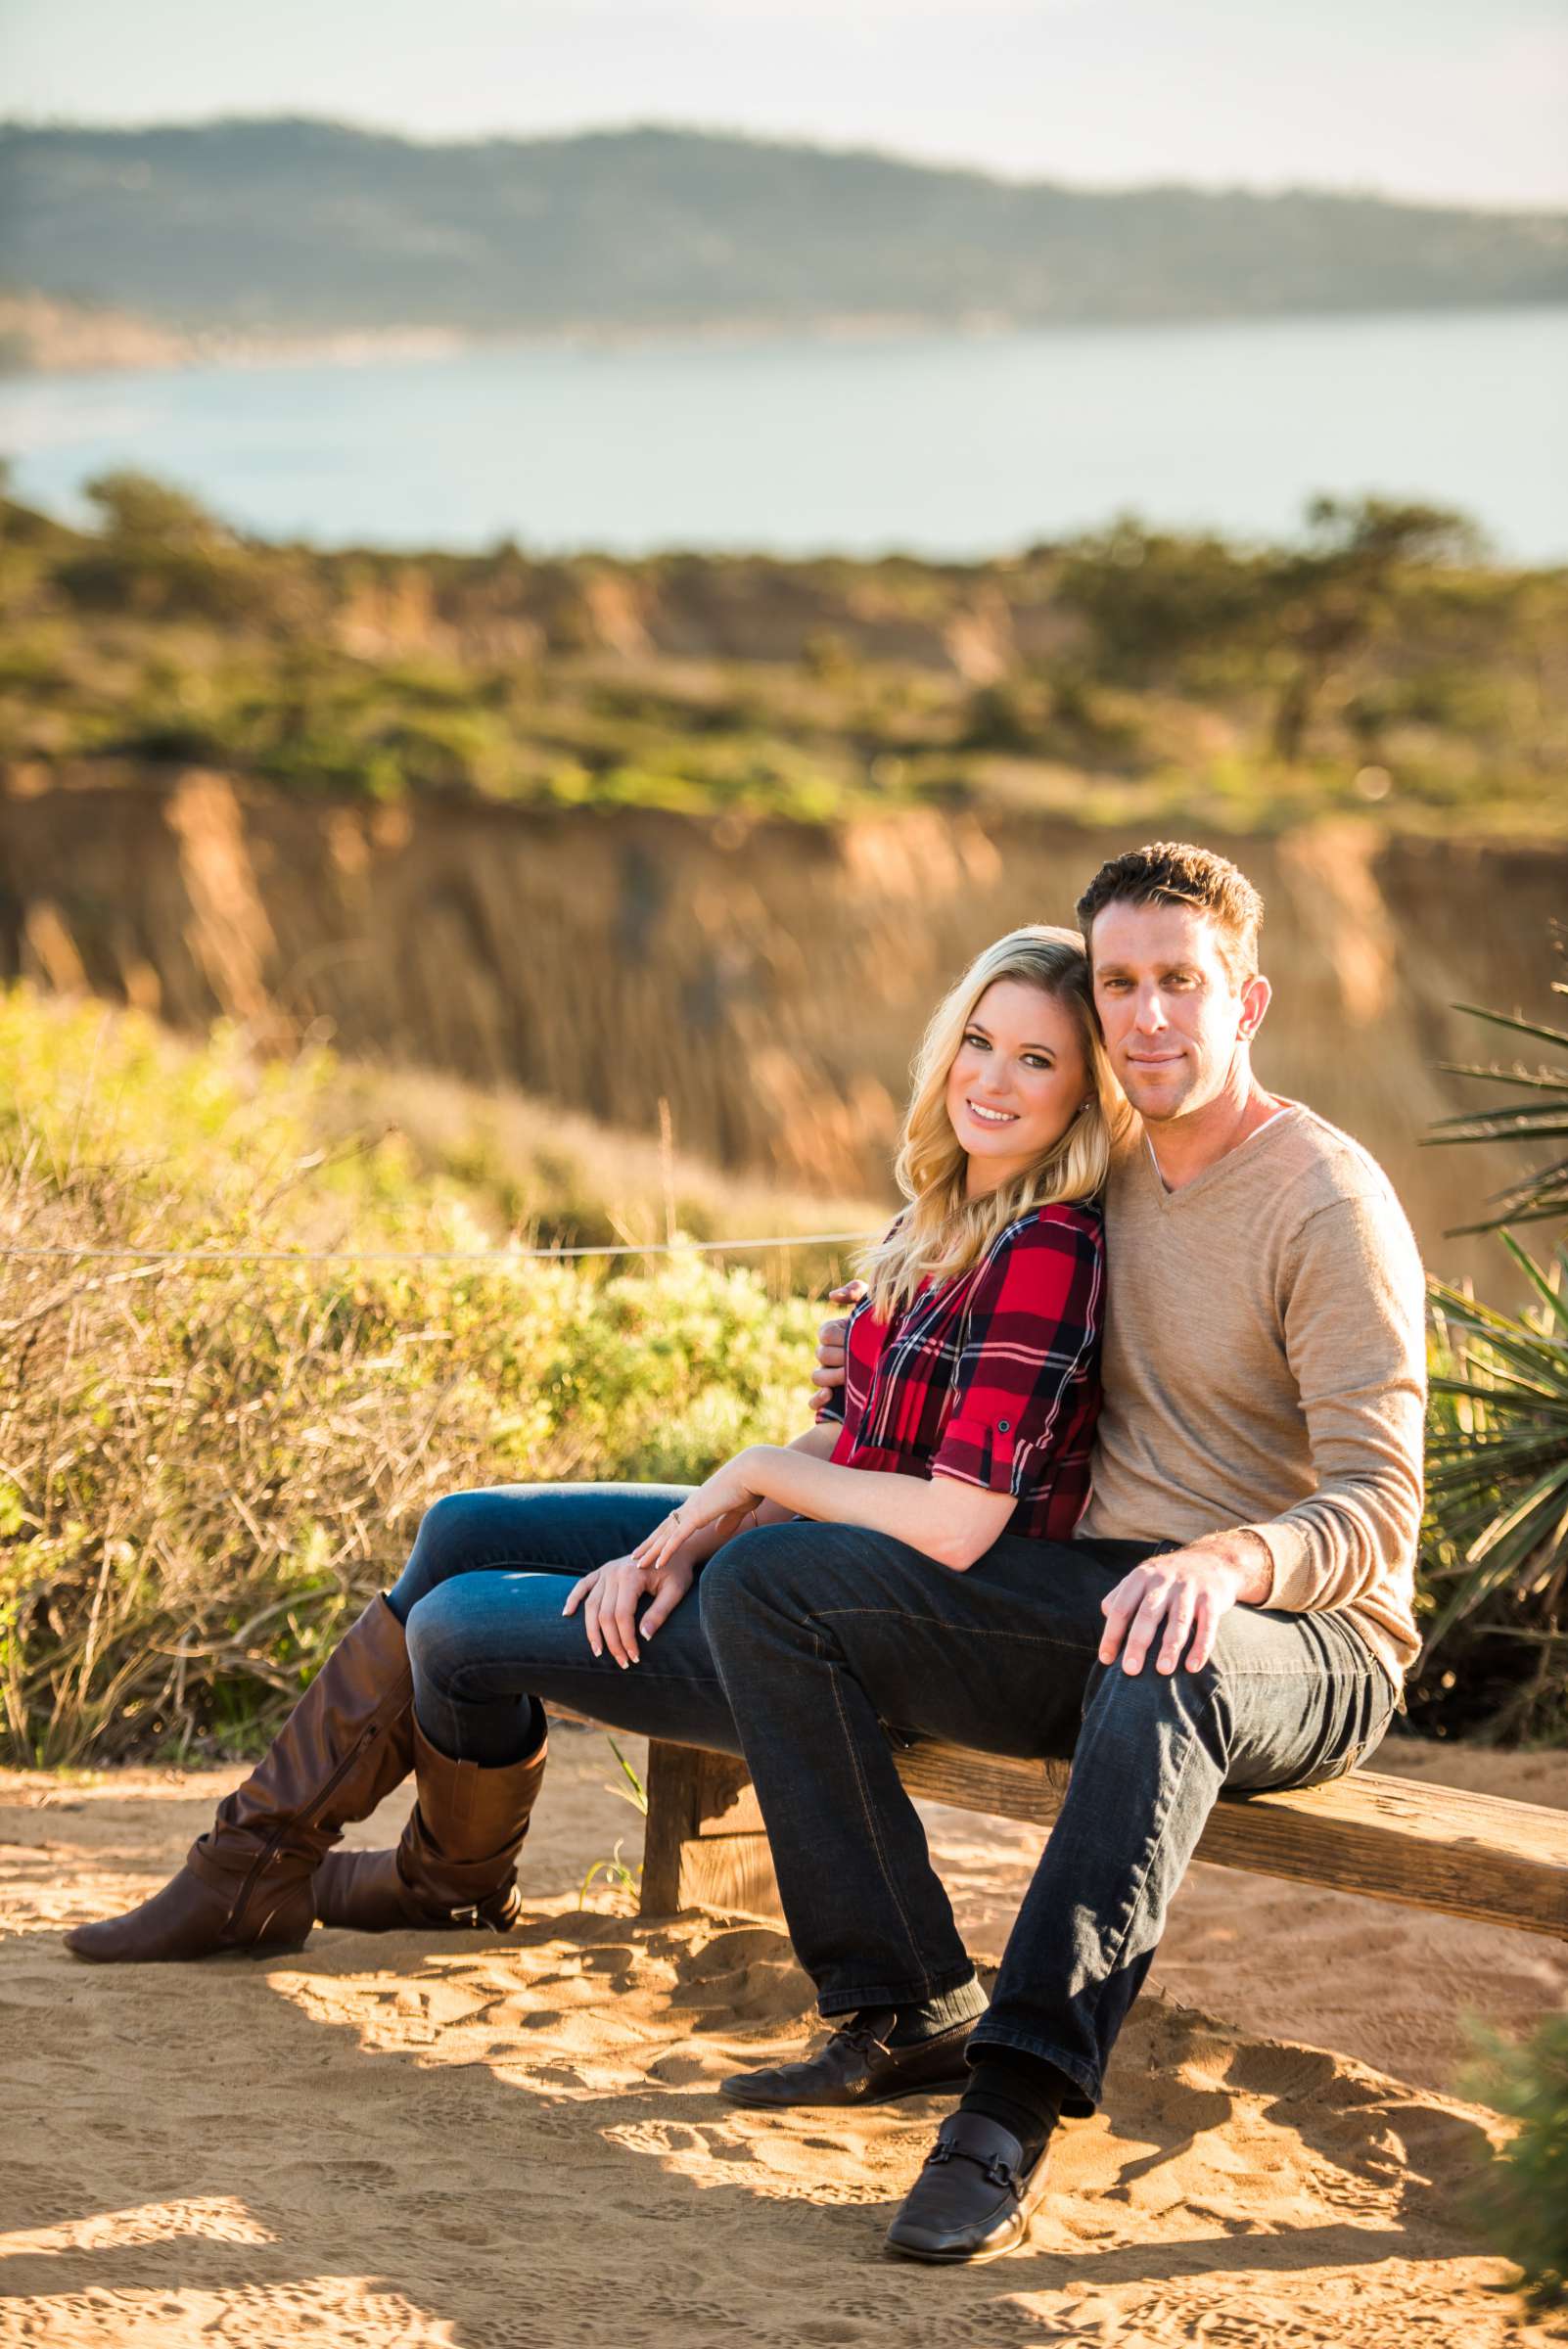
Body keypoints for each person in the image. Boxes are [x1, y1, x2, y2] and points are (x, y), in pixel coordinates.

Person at [65, 923, 1123, 1973]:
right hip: (804, 1556)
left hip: (878, 1628)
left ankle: (422, 1883)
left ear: (1082, 1093)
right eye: (980, 1041)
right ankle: (262, 1865)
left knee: (456, 1628)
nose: (992, 1077)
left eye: (1036, 1060)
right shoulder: (937, 1217)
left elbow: (953, 1518)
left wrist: (741, 1486)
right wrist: (693, 1534)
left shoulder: (1048, 1247)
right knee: (462, 1527)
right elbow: (850, 1439)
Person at [693, 840, 1424, 2267]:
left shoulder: (1324, 1202)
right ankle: (902, 1996)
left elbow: (1376, 1511)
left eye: (1180, 985)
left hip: (1310, 1635)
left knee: (1173, 1655)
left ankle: (1008, 2101)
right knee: (771, 1587)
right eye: (1120, 986)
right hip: (1104, 1592)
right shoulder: (1105, 1179)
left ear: (1246, 1001)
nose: (1148, 1017)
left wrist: (1222, 1566)